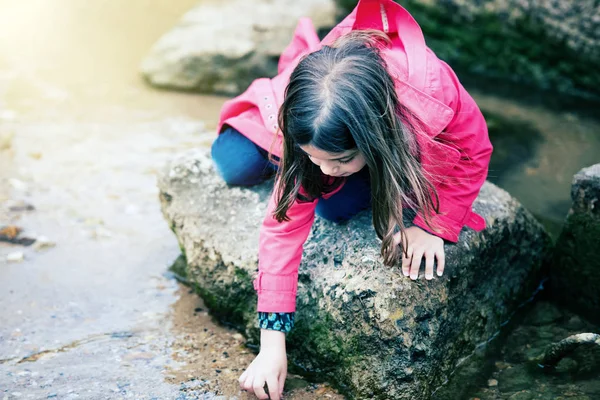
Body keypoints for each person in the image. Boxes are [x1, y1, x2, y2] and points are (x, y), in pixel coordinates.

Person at [210, 0, 493, 398]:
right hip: (321, 103)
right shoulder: (313, 130)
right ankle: (283, 140)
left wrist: (432, 223)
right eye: (313, 158)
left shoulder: (435, 89)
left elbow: (475, 151)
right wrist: (271, 345)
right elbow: (283, 226)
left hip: (373, 121)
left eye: (340, 159)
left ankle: (339, 162)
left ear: (376, 138)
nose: (325, 170)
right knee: (232, 163)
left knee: (334, 205)